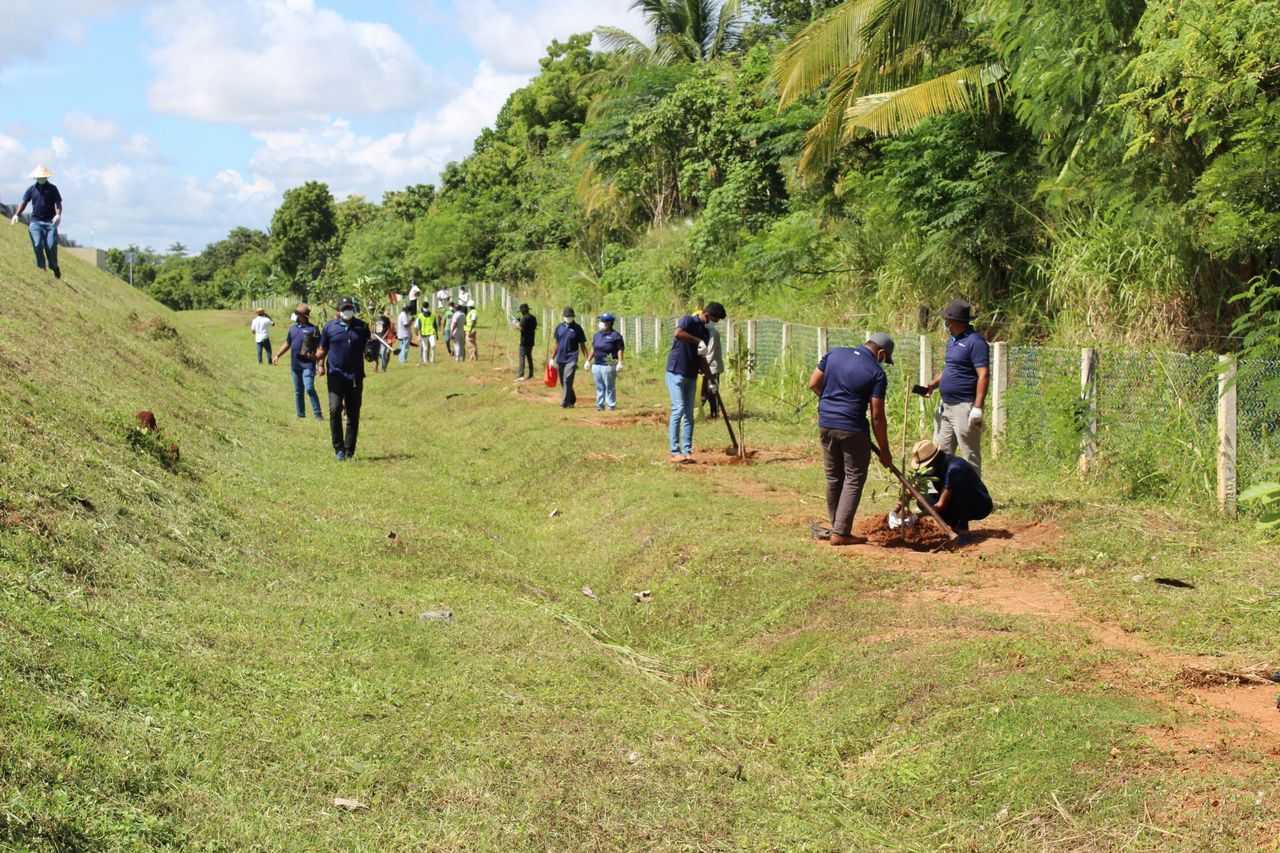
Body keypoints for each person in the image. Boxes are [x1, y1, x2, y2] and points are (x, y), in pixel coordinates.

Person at [807, 334, 896, 545]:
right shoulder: (876, 372)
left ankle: (837, 525)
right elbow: (877, 416)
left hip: (826, 423)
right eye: (884, 358)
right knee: (854, 478)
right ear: (881, 353)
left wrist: (831, 402)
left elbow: (813, 383)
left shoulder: (834, 354)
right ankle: (840, 533)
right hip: (853, 429)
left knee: (833, 476)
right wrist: (884, 449)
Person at [919, 298, 989, 473]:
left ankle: (973, 497)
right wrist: (933, 385)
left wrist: (977, 408)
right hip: (946, 406)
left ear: (955, 321)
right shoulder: (953, 341)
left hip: (964, 407)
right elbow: (950, 369)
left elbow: (984, 375)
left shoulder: (976, 342)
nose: (945, 324)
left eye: (947, 320)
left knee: (969, 454)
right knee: (939, 453)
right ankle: (939, 495)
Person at [666, 302, 726, 463]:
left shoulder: (704, 332)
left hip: (691, 375)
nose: (716, 322)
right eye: (716, 319)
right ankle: (674, 451)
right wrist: (697, 340)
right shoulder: (688, 321)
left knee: (689, 414)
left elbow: (703, 360)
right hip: (676, 372)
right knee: (678, 409)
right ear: (707, 315)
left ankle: (687, 451)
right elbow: (678, 333)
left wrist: (711, 381)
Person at [905, 439, 993, 547]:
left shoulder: (955, 468)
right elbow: (913, 489)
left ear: (934, 460)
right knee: (922, 501)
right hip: (951, 501)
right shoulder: (930, 468)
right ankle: (955, 525)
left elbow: (941, 505)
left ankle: (964, 530)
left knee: (959, 493)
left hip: (978, 504)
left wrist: (916, 516)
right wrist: (898, 508)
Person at [315, 297, 371, 461]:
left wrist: (372, 352)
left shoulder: (362, 327)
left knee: (353, 414)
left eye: (350, 307)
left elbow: (368, 350)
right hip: (335, 375)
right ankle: (338, 448)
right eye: (344, 308)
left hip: (355, 376)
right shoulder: (329, 327)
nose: (348, 310)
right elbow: (322, 350)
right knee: (334, 409)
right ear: (338, 311)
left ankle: (349, 450)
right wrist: (317, 361)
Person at [10, 164, 63, 278]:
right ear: (35, 178)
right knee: (37, 244)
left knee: (51, 246)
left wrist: (58, 215)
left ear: (47, 177)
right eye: (39, 177)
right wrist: (16, 214)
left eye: (43, 177)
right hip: (35, 222)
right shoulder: (31, 190)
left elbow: (58, 203)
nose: (41, 179)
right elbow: (24, 202)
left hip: (50, 223)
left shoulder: (53, 189)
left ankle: (54, 266)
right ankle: (41, 268)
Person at [272, 304, 324, 420]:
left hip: (308, 365)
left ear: (303, 316)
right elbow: (287, 343)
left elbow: (321, 348)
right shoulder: (292, 328)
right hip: (295, 365)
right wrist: (277, 355)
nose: (295, 315)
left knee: (309, 387)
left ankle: (318, 413)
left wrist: (320, 364)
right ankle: (301, 415)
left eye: (297, 314)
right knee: (298, 390)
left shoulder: (313, 329)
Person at [551, 307, 588, 408]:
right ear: (563, 317)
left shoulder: (577, 328)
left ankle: (564, 403)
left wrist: (587, 360)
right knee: (563, 381)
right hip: (560, 358)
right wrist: (552, 358)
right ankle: (572, 399)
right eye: (567, 316)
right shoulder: (559, 327)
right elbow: (556, 343)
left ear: (573, 317)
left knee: (567, 379)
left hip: (572, 357)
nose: (568, 318)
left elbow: (583, 345)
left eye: (570, 316)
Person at [588, 313, 625, 411]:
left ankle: (610, 405)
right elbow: (593, 348)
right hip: (597, 364)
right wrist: (588, 360)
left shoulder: (615, 336)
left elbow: (620, 349)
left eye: (602, 321)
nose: (600, 323)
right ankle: (599, 405)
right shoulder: (597, 335)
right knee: (599, 385)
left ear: (609, 323)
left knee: (609, 385)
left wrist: (620, 362)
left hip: (609, 364)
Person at [700, 314, 724, 419]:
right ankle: (698, 412)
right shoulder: (703, 331)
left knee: (712, 390)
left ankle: (715, 414)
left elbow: (710, 353)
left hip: (712, 367)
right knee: (703, 390)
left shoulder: (713, 333)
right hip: (704, 367)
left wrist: (702, 366)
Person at [513, 303, 537, 381]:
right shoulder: (533, 318)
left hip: (524, 341)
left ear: (523, 311)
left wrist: (515, 324)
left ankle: (521, 375)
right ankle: (531, 374)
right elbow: (534, 326)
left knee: (522, 357)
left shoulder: (524, 319)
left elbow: (521, 328)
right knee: (529, 357)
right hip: (531, 340)